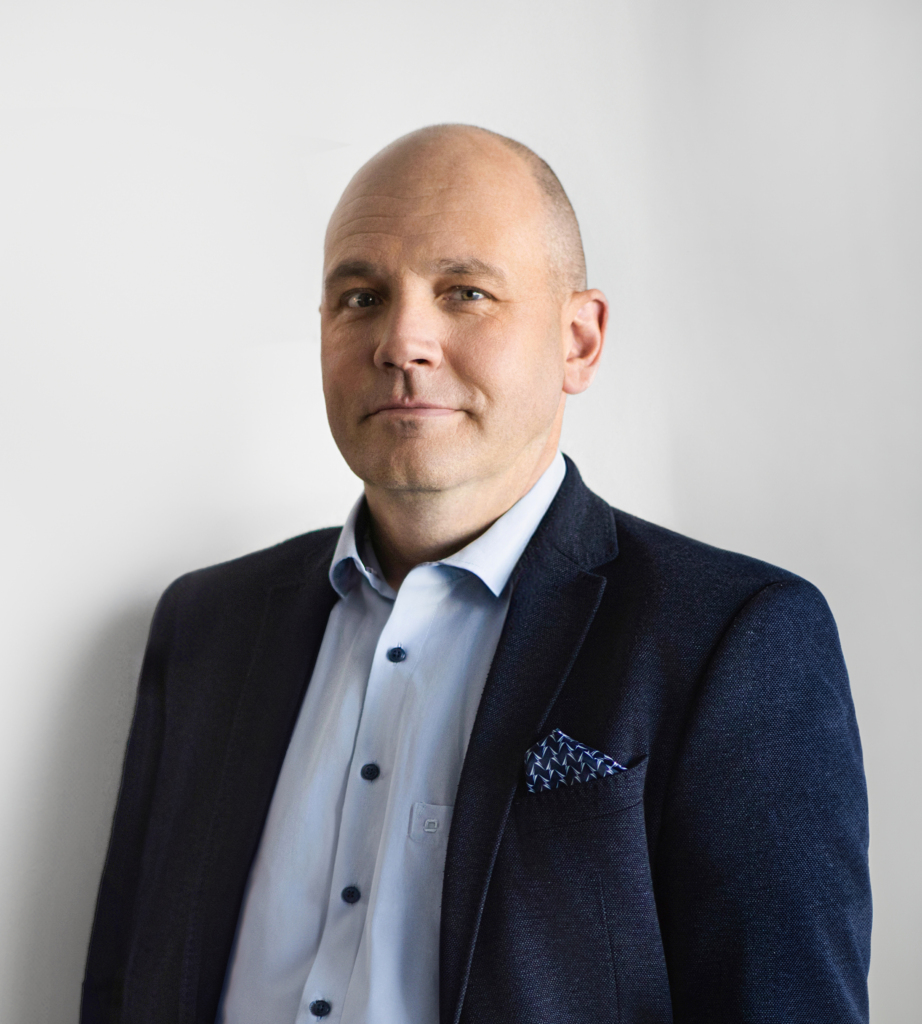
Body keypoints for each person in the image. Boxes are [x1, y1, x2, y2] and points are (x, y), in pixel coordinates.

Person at [81, 124, 871, 1024]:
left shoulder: (736, 638)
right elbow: (120, 985)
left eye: (465, 292)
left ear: (579, 340)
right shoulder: (204, 625)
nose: (402, 342)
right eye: (361, 296)